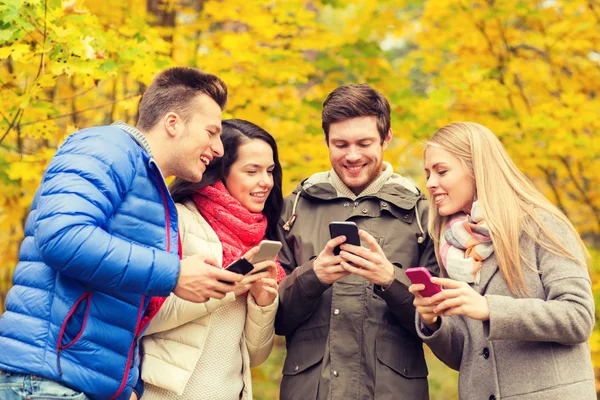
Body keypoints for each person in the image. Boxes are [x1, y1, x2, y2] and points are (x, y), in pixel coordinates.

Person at [0, 67, 246, 400]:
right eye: (212, 131)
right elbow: (62, 236)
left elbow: (113, 300)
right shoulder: (104, 146)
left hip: (83, 385)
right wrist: (173, 272)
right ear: (172, 123)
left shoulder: (153, 188)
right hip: (46, 381)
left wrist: (126, 384)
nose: (218, 148)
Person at [275, 83, 439, 400]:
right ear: (326, 141)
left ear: (386, 137)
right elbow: (274, 319)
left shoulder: (423, 213)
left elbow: (437, 324)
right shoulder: (294, 208)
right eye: (340, 144)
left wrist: (391, 280)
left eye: (364, 143)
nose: (352, 156)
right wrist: (313, 276)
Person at [410, 122, 595, 399]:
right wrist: (433, 321)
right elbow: (465, 355)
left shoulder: (541, 225)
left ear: (477, 169)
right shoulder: (453, 247)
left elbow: (578, 317)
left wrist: (489, 308)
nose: (430, 183)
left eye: (441, 171)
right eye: (428, 174)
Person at [141, 119, 287, 400]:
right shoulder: (177, 221)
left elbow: (254, 356)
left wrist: (262, 303)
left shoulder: (259, 239)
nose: (266, 182)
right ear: (222, 172)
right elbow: (145, 317)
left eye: (270, 171)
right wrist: (228, 288)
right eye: (252, 171)